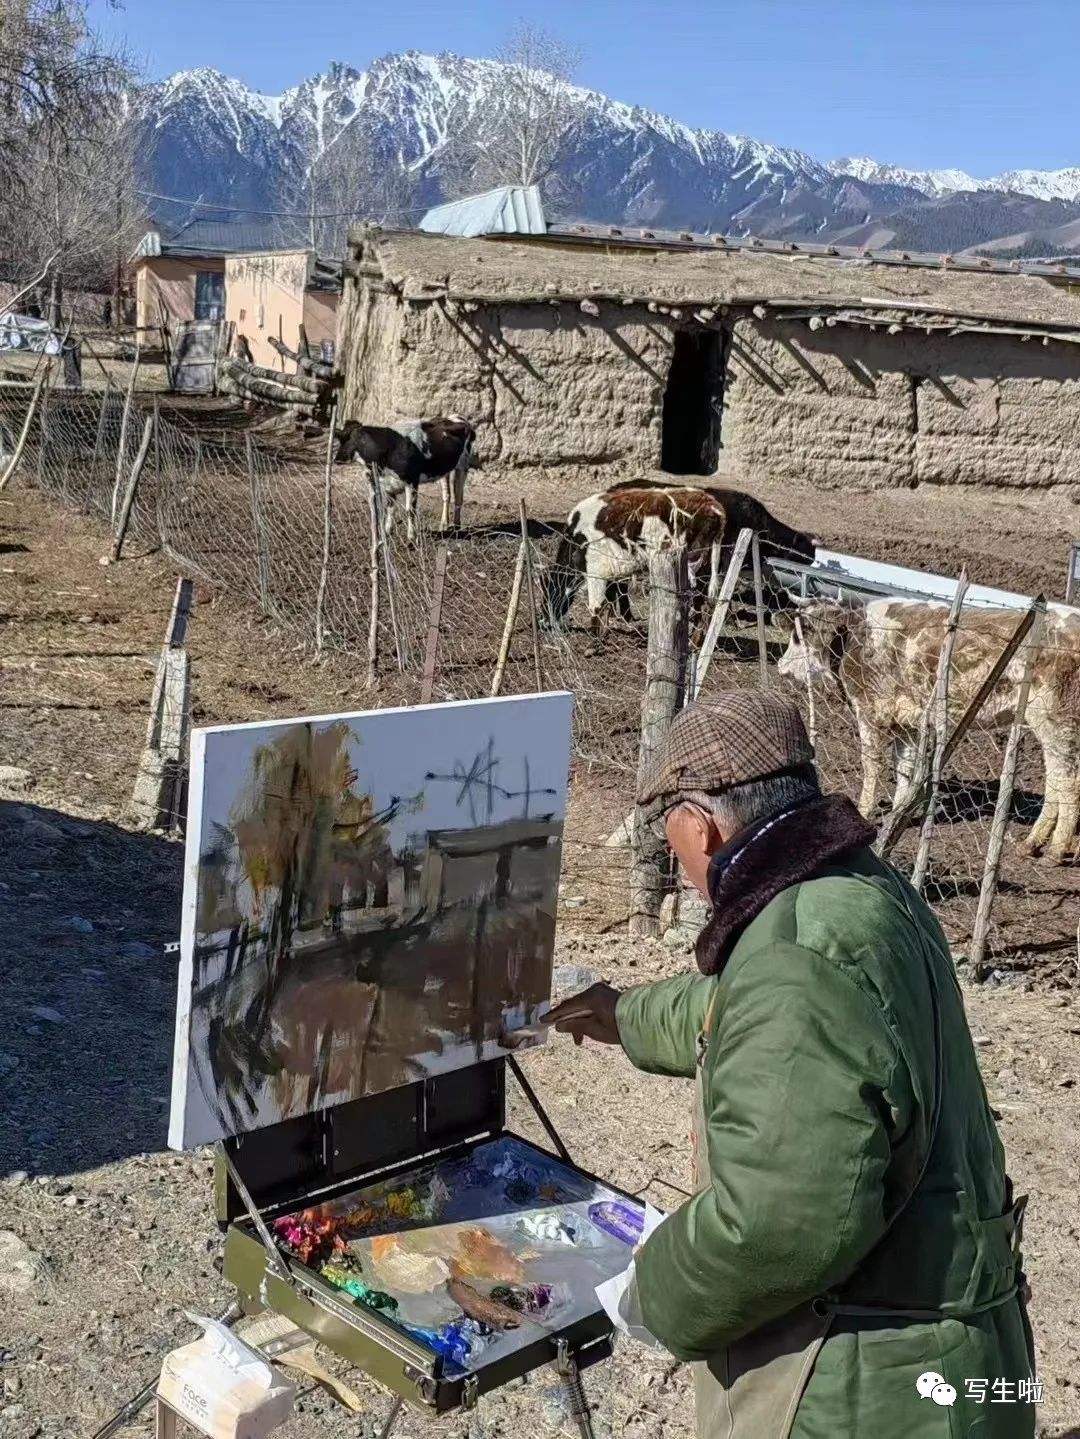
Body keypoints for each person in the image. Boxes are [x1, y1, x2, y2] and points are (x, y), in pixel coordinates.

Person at [547, 690, 1035, 1439]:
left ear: (698, 823)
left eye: (667, 828)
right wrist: (625, 1016)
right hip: (958, 1359)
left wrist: (648, 1288)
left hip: (872, 1394)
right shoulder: (857, 891)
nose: (673, 857)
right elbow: (738, 1014)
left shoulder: (797, 957)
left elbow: (776, 1224)